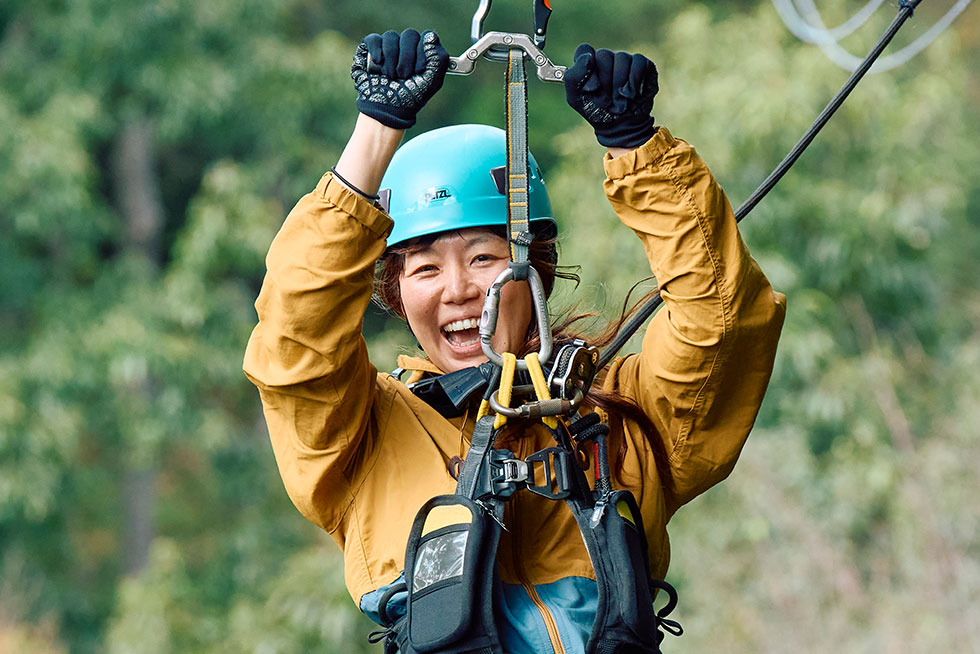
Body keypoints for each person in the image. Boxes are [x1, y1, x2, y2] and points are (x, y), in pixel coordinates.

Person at [244, 28, 785, 654]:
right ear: (395, 295)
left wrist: (639, 151)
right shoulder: (363, 434)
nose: (457, 291)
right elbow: (295, 338)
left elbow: (722, 320)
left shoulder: (623, 414)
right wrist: (374, 132)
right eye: (424, 268)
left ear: (537, 271)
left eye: (483, 258)